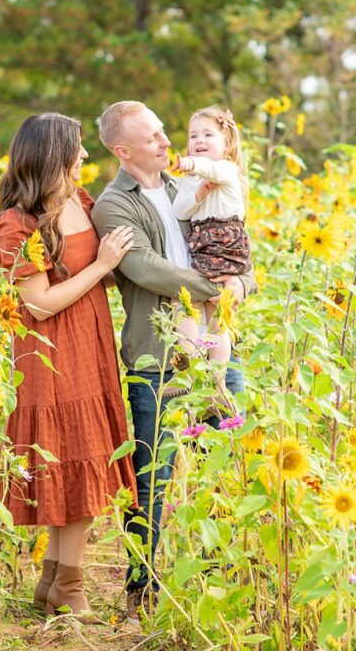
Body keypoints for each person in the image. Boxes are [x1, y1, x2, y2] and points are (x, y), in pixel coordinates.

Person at [89, 101, 259, 623]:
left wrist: (243, 282)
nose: (168, 143)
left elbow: (237, 253)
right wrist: (218, 287)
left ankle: (221, 584)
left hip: (213, 346)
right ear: (123, 150)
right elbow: (145, 269)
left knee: (227, 469)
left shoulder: (190, 190)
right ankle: (142, 592)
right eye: (155, 137)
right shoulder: (114, 205)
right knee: (152, 481)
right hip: (157, 357)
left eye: (168, 133)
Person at [0, 112, 138, 621]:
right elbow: (39, 304)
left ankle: (53, 577)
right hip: (49, 355)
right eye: (77, 148)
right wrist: (101, 267)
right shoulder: (17, 224)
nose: (85, 157)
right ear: (53, 155)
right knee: (74, 460)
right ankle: (71, 587)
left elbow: (111, 269)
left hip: (90, 346)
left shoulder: (82, 202)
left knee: (84, 458)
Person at [170, 105, 252, 375]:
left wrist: (189, 164)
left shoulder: (226, 169)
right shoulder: (192, 181)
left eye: (208, 135)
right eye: (193, 136)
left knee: (219, 310)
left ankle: (218, 373)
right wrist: (198, 193)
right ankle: (191, 360)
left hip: (225, 246)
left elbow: (212, 171)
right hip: (203, 250)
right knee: (191, 302)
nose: (199, 141)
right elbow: (180, 210)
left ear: (227, 143)